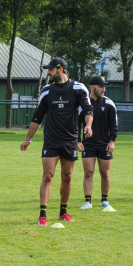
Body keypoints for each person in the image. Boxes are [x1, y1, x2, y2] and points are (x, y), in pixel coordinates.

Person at [20, 58, 93, 226]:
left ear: (61, 69)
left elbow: (88, 109)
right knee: (48, 176)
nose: (48, 72)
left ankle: (63, 213)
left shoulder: (78, 88)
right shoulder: (46, 90)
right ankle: (42, 216)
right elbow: (38, 116)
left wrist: (88, 125)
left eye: (51, 69)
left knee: (67, 177)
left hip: (70, 140)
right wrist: (28, 139)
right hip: (51, 140)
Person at [78, 76, 118, 209]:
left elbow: (114, 124)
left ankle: (104, 200)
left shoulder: (109, 103)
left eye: (104, 87)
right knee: (88, 172)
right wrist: (77, 141)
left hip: (104, 144)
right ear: (92, 87)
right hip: (88, 144)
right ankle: (87, 201)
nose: (103, 89)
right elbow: (76, 124)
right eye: (100, 87)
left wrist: (112, 141)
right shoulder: (83, 104)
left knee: (105, 173)